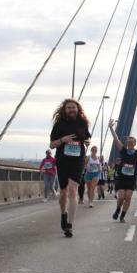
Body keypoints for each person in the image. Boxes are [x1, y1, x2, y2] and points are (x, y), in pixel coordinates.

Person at [49, 98, 92, 237]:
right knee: (63, 193)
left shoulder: (83, 123)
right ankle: (63, 213)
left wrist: (86, 141)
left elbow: (87, 138)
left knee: (73, 191)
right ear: (65, 110)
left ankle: (70, 225)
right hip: (62, 160)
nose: (72, 110)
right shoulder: (59, 124)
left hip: (77, 161)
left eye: (74, 107)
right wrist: (63, 140)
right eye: (69, 108)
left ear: (78, 109)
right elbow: (52, 145)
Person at [107, 120, 137, 222]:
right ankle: (118, 209)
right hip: (122, 178)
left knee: (128, 198)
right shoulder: (123, 150)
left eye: (133, 141)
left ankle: (122, 215)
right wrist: (111, 128)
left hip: (131, 179)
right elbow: (116, 139)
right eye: (129, 141)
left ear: (135, 143)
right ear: (127, 143)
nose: (130, 142)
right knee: (121, 196)